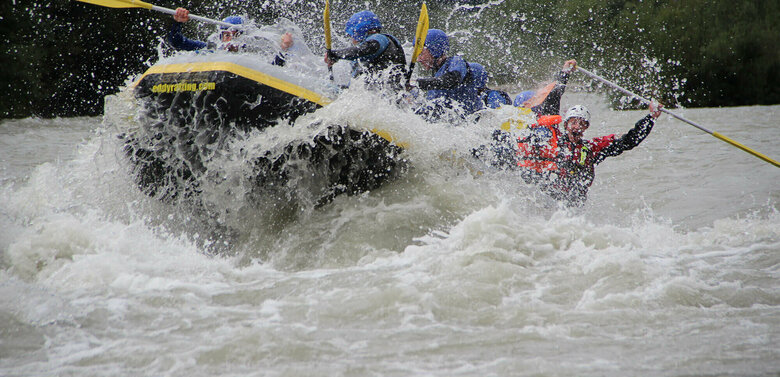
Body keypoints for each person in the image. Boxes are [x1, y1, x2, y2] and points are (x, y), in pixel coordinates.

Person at [516, 102, 663, 206]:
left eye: (582, 123)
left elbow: (629, 141)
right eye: (573, 122)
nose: (577, 127)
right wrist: (564, 74)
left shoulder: (591, 148)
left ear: (586, 127)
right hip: (548, 199)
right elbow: (552, 102)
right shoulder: (553, 143)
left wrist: (651, 118)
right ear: (566, 125)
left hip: (575, 204)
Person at [166, 8, 293, 64]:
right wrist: (177, 22)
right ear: (220, 37)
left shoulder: (252, 56)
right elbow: (177, 43)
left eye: (236, 35)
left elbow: (271, 69)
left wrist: (283, 48)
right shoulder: (211, 49)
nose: (231, 40)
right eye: (226, 35)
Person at [324, 10, 407, 91]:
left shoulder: (379, 38)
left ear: (358, 32)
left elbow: (365, 49)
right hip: (379, 94)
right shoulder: (368, 48)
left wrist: (335, 54)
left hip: (388, 94)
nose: (352, 39)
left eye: (351, 34)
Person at [414, 29, 485, 120]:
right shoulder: (436, 75)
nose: (418, 59)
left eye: (421, 54)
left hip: (468, 123)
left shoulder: (456, 61)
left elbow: (451, 80)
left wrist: (418, 83)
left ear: (435, 50)